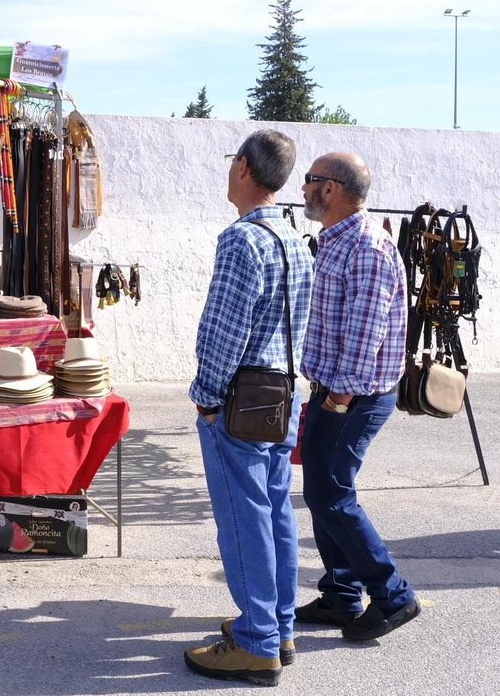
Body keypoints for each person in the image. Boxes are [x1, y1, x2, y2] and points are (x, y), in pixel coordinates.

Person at [184, 130, 313, 687]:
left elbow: (223, 330)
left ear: (242, 167)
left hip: (239, 399)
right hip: (282, 395)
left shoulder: (243, 240)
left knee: (243, 520)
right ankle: (278, 626)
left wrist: (207, 398)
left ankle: (258, 642)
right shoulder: (294, 239)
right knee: (275, 513)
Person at [296, 151, 419, 641]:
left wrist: (336, 401)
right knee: (322, 493)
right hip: (337, 392)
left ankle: (392, 595)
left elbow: (364, 337)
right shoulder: (338, 240)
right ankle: (342, 595)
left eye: (310, 181)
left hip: (353, 396)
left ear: (330, 189)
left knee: (331, 494)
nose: (302, 189)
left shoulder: (365, 246)